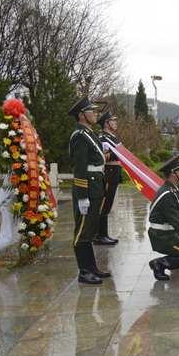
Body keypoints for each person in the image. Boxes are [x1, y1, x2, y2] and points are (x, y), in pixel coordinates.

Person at [68, 95, 112, 284]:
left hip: (96, 187)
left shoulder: (89, 134)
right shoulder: (79, 136)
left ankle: (92, 267)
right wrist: (82, 196)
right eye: (91, 111)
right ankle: (84, 272)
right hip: (87, 189)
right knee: (82, 232)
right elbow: (79, 167)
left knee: (90, 230)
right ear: (81, 115)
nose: (95, 114)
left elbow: (96, 159)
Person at [95, 110, 120, 245]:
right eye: (113, 121)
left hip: (114, 172)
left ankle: (104, 233)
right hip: (109, 172)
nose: (115, 123)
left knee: (108, 204)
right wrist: (116, 153)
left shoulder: (112, 138)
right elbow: (101, 156)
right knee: (104, 204)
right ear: (106, 124)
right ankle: (99, 235)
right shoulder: (103, 139)